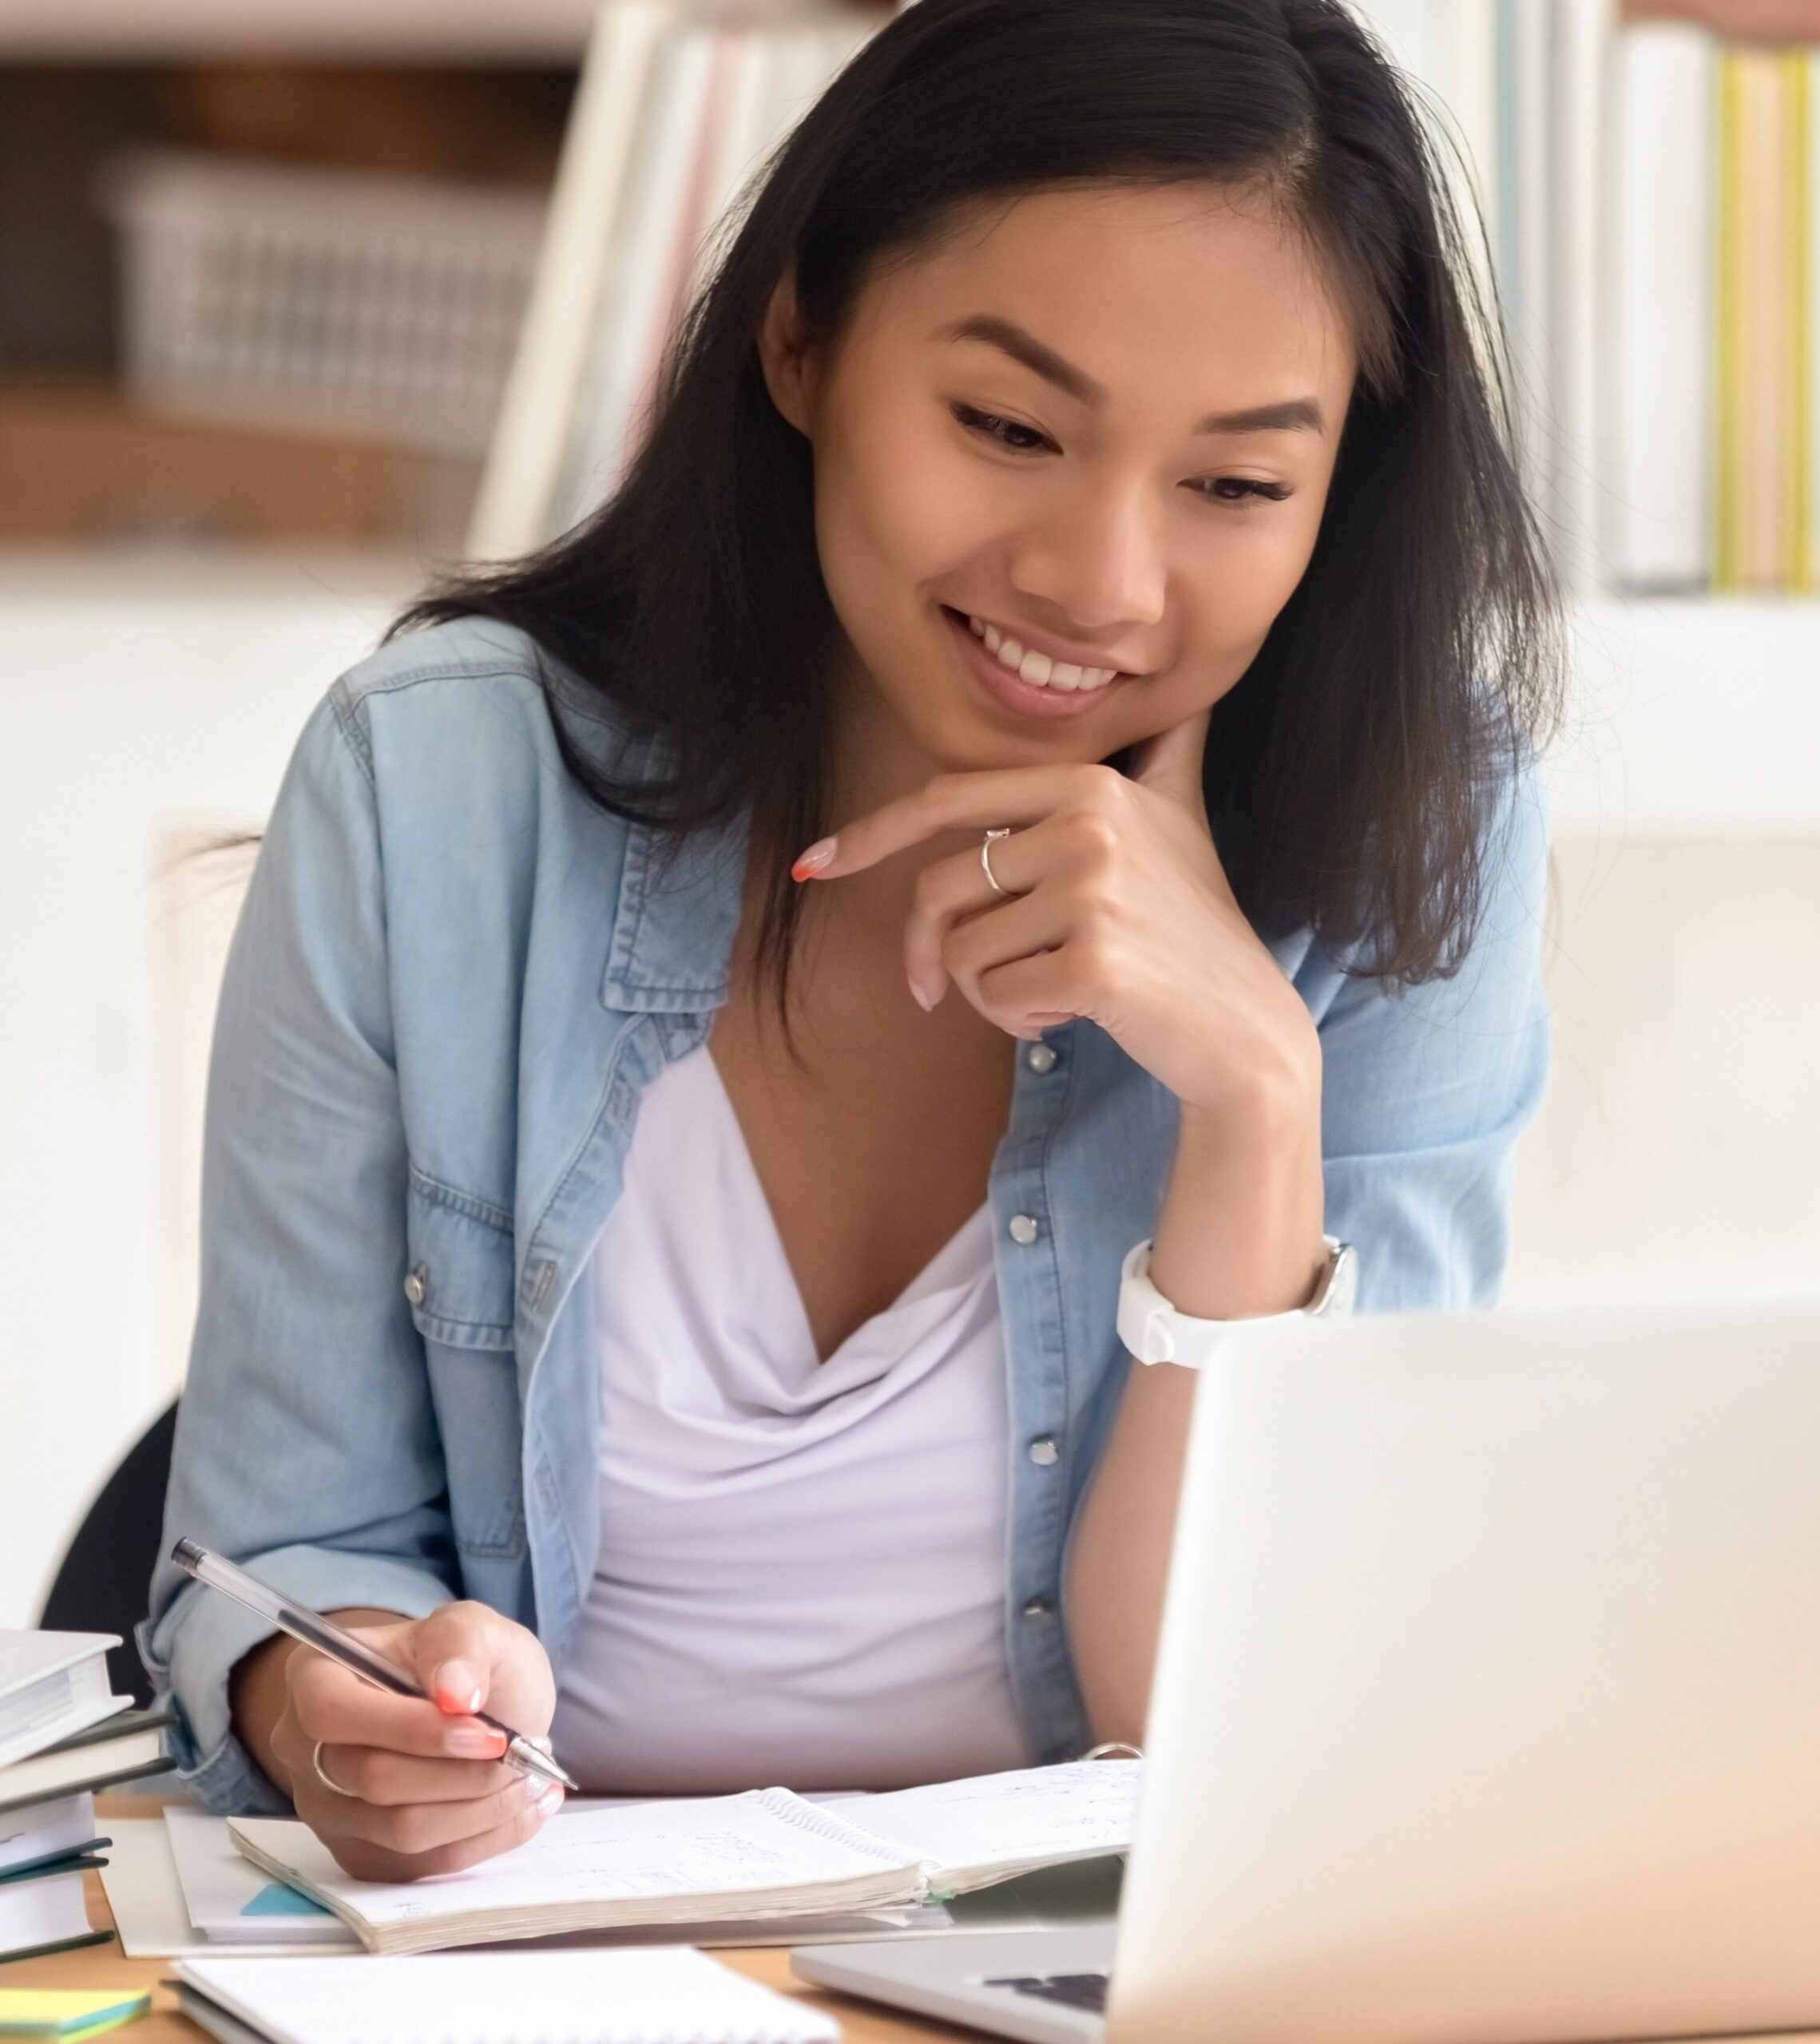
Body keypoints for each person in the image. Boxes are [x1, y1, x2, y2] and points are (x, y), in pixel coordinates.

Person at [141, 0, 1560, 1883]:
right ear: (798, 341)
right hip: (543, 1977)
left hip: (1072, 1976)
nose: (1097, 581)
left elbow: (1239, 1729)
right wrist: (352, 1707)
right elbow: (276, 1553)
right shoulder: (438, 784)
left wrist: (1252, 1093)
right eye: (1005, 425)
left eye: (1232, 483)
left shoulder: (1412, 819)